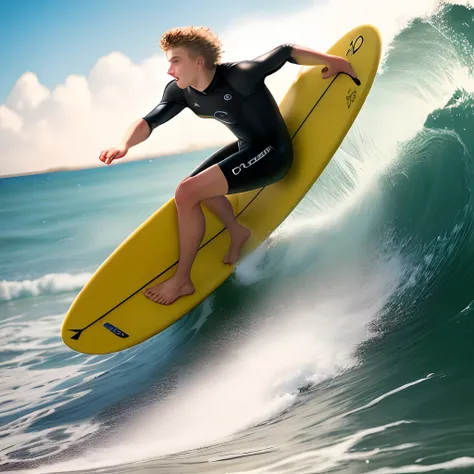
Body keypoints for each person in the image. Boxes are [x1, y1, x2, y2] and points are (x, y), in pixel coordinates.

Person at [99, 26, 357, 306]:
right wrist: (123, 145)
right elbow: (150, 120)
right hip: (248, 147)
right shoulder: (182, 92)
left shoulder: (240, 76)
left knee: (187, 192)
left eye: (175, 61)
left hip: (273, 153)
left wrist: (334, 62)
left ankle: (182, 280)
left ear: (198, 62)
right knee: (192, 186)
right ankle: (237, 231)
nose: (170, 70)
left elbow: (285, 52)